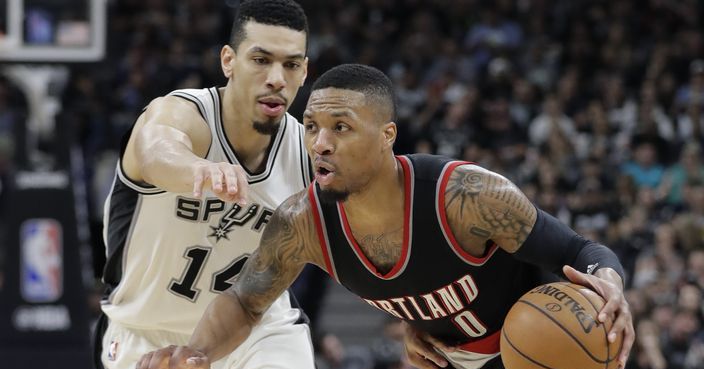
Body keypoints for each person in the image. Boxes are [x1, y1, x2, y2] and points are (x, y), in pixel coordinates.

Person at [136, 64, 634, 369]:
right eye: (310, 127)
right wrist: (195, 353)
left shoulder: (465, 196)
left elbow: (580, 252)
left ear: (387, 135)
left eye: (341, 127)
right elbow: (245, 302)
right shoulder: (303, 222)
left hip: (548, 349)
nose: (320, 143)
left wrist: (609, 285)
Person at [95, 1, 316, 368]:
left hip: (258, 331)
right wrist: (197, 168)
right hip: (144, 332)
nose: (277, 77)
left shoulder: (309, 151)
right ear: (228, 61)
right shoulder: (179, 113)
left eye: (291, 64)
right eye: (261, 60)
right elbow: (156, 150)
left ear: (304, 71)